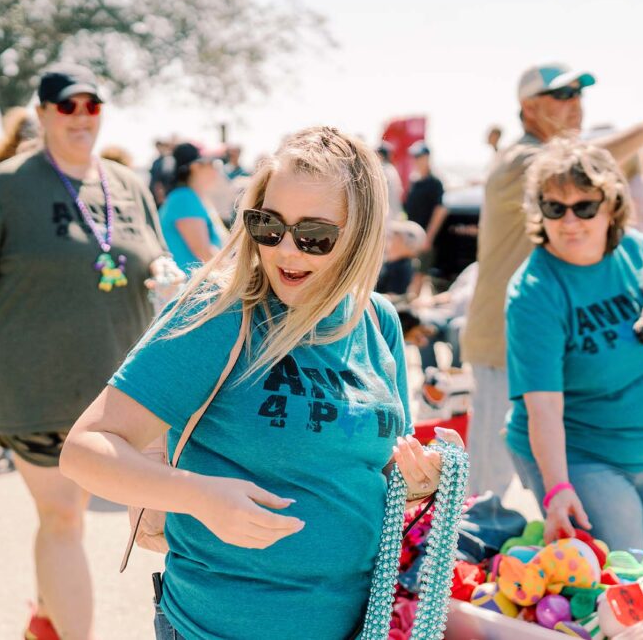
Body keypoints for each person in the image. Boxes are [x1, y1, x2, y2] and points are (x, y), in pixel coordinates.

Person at [60, 126, 462, 640]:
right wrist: (200, 497)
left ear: (360, 236)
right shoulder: (221, 313)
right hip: (216, 627)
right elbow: (84, 449)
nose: (286, 251)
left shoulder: (375, 319)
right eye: (268, 225)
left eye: (314, 235)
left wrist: (415, 482)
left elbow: (370, 465)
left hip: (361, 627)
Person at [0, 64, 169, 640]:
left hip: (123, 391)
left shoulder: (126, 184)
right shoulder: (4, 187)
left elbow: (152, 256)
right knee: (62, 517)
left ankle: (47, 623)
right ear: (43, 113)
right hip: (38, 388)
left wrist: (165, 275)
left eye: (92, 106)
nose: (81, 117)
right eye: (67, 106)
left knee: (95, 521)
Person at [461, 61, 643, 498]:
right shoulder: (517, 161)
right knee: (483, 495)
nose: (575, 104)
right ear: (528, 107)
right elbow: (583, 165)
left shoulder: (555, 160)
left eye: (578, 94)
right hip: (502, 345)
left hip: (556, 351)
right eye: (562, 95)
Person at [505, 137, 643, 550]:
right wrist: (557, 488)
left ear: (610, 205)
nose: (569, 221)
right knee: (628, 578)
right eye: (555, 207)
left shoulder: (637, 251)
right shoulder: (534, 292)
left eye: (584, 206)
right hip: (581, 454)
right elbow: (544, 406)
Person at [158, 142, 226, 274]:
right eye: (214, 163)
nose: (218, 168)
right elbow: (205, 254)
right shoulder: (184, 199)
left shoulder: (194, 197)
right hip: (189, 289)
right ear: (195, 166)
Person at [403, 141, 447, 293]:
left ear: (427, 157)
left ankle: (413, 302)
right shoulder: (414, 181)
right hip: (411, 234)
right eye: (414, 157)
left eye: (419, 156)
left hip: (424, 236)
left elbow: (440, 210)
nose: (416, 160)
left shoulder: (435, 182)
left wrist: (429, 236)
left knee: (420, 271)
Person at [377, 142, 404, 221]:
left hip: (387, 216)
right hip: (395, 214)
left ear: (381, 155)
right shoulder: (392, 169)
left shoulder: (382, 169)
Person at [149, 139, 175, 206]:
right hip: (156, 195)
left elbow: (163, 178)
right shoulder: (157, 161)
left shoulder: (168, 160)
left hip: (163, 196)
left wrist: (161, 195)